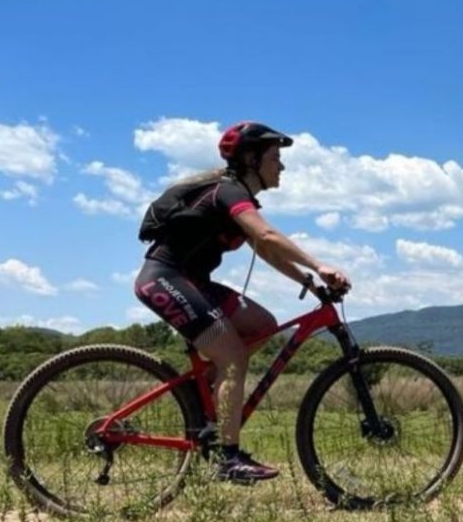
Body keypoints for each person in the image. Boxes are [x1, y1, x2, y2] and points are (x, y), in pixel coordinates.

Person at [134, 121, 350, 483]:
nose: (282, 166)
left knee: (262, 325)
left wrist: (309, 283)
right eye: (275, 157)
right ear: (252, 159)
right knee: (232, 355)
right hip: (165, 279)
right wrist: (318, 265)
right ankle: (227, 457)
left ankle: (203, 402)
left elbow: (264, 248)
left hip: (191, 283)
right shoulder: (228, 192)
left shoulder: (235, 197)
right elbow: (266, 234)